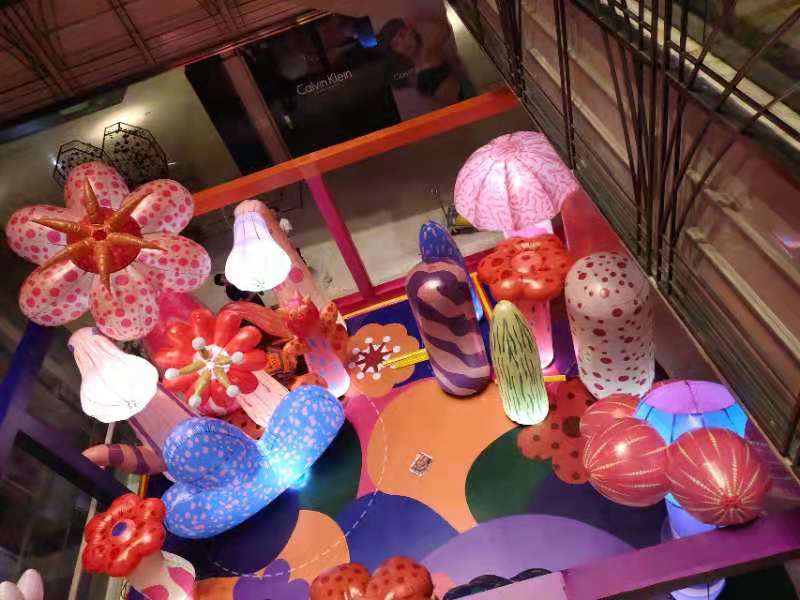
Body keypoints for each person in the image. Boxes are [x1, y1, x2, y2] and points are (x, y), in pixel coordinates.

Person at [378, 17, 474, 106]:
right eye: (396, 44)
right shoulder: (417, 68)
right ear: (395, 51)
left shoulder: (427, 51)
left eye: (402, 34)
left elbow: (445, 30)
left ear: (409, 30)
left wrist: (416, 24)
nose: (403, 44)